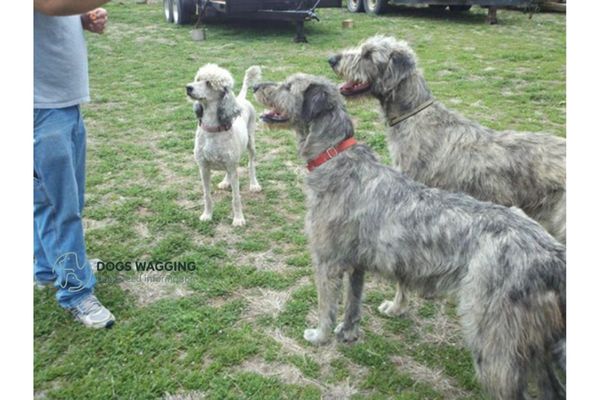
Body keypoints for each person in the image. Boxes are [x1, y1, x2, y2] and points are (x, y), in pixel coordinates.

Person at [34, 0, 115, 328]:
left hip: (60, 101)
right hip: (39, 105)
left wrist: (82, 17)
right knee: (59, 206)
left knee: (53, 200)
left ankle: (48, 268)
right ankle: (75, 291)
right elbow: (51, 5)